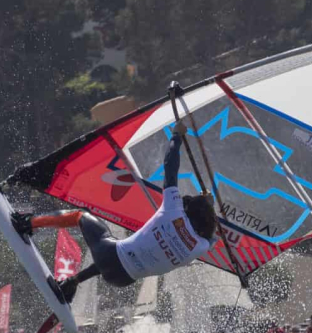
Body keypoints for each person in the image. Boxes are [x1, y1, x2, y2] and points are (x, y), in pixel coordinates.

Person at [12, 120, 216, 302]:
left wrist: (177, 136)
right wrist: (208, 207)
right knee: (122, 252)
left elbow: (170, 167)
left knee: (81, 216)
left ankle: (27, 223)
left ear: (188, 209)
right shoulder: (200, 247)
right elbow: (212, 235)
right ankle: (72, 282)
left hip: (111, 257)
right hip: (122, 279)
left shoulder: (173, 211)